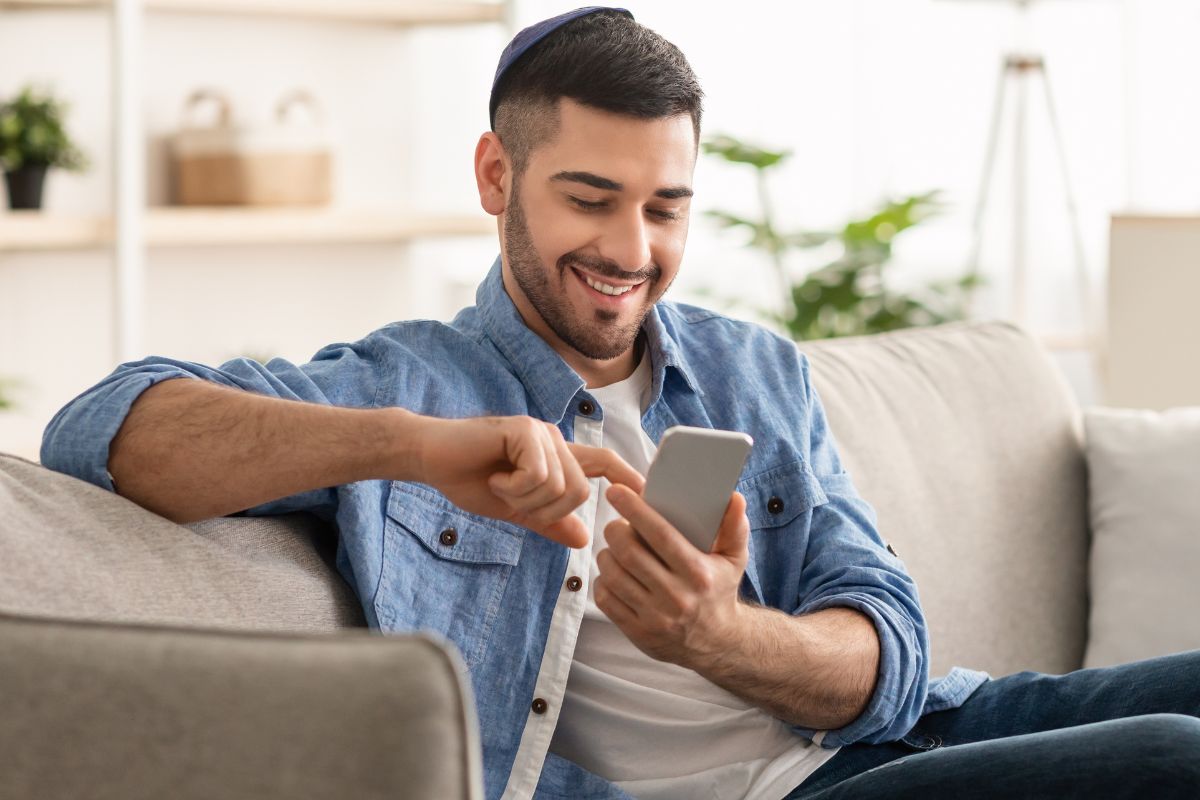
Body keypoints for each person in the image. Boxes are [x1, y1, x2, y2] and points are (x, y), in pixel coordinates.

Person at [41, 7, 1199, 800]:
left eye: (666, 206)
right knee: (1167, 758)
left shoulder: (756, 371)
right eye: (589, 197)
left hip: (909, 732)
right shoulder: (412, 381)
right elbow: (105, 425)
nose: (631, 250)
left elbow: (888, 653)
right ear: (497, 176)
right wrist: (420, 448)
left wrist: (716, 632)